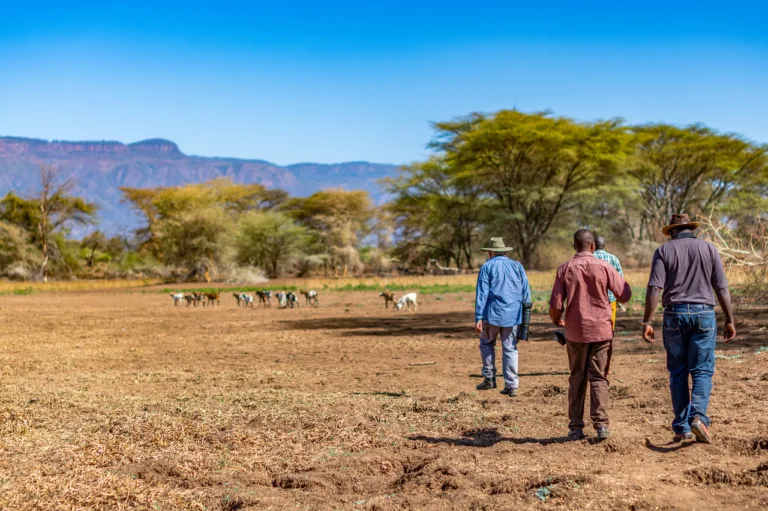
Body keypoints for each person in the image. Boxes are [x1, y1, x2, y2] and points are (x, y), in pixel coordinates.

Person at [642, 214, 736, 444]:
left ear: (673, 232)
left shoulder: (664, 251)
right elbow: (721, 287)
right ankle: (699, 418)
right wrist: (730, 319)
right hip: (704, 314)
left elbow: (655, 287)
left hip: (674, 315)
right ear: (691, 230)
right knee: (702, 370)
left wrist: (647, 321)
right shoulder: (709, 249)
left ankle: (682, 427)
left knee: (678, 372)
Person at [549, 229, 631, 440]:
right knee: (598, 377)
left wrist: (557, 319)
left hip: (575, 332)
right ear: (593, 246)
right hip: (601, 330)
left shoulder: (565, 269)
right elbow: (625, 295)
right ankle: (601, 426)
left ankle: (575, 428)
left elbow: (556, 304)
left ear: (574, 246)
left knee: (576, 377)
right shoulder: (605, 266)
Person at [474, 237, 531, 397]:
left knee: (486, 344)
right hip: (513, 315)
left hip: (492, 314)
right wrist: (525, 318)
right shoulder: (517, 266)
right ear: (505, 251)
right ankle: (512, 385)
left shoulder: (487, 266)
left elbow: (482, 293)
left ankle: (489, 378)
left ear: (491, 252)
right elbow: (526, 293)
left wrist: (478, 316)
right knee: (510, 348)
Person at [593, 235, 624, 330]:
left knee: (595, 327)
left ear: (593, 245)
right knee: (610, 327)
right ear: (604, 245)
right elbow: (620, 280)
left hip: (593, 300)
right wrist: (620, 297)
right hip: (611, 300)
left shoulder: (590, 258)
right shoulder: (613, 258)